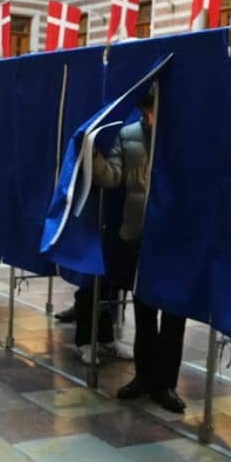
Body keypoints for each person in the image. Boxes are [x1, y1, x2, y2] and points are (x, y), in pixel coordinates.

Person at [91, 87, 187, 413]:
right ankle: (144, 377)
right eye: (147, 110)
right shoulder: (128, 134)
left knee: (174, 316)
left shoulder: (187, 133)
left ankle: (167, 384)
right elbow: (113, 178)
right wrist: (92, 156)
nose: (150, 116)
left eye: (154, 109)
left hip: (176, 239)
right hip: (139, 235)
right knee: (144, 312)